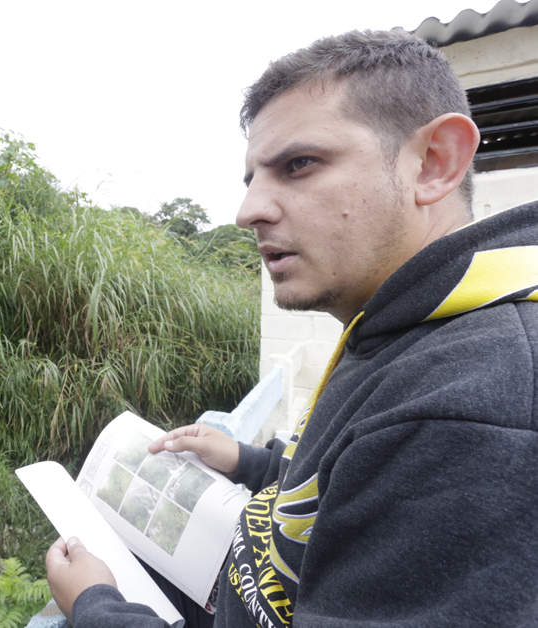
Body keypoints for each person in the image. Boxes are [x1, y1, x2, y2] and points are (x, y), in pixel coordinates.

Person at [46, 28, 538, 627]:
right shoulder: (405, 325)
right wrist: (254, 464)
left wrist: (97, 607)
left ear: (434, 164)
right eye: (252, 178)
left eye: (299, 164)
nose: (248, 211)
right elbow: (345, 485)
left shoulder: (470, 411)